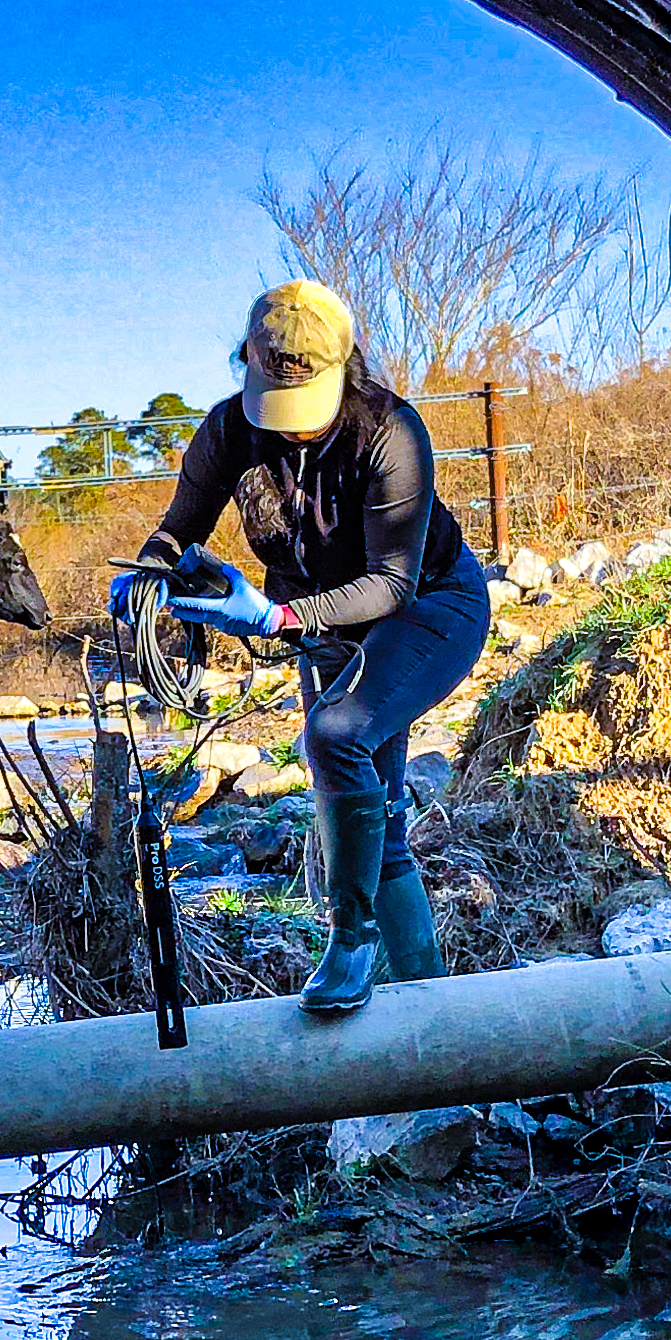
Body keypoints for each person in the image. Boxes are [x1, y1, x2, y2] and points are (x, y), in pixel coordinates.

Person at [110, 280, 492, 1015]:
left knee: (335, 735)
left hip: (426, 605)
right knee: (372, 817)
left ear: (340, 374)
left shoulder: (391, 433)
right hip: (320, 623)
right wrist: (148, 572)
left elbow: (391, 582)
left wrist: (279, 617)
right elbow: (179, 525)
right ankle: (434, 1012)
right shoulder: (228, 432)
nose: (290, 430)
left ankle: (350, 940)